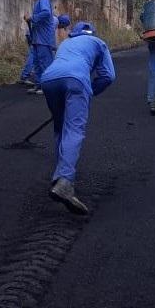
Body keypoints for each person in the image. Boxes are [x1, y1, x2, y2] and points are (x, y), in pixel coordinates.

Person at [41, 21, 116, 215]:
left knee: (60, 127)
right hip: (76, 81)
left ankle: (60, 177)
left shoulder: (66, 43)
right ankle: (65, 180)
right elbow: (108, 76)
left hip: (48, 79)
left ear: (74, 33)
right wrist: (90, 91)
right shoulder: (98, 43)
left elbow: (61, 67)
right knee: (74, 129)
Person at [19, 14, 71, 85]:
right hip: (37, 35)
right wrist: (53, 47)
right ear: (62, 23)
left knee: (35, 55)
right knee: (34, 54)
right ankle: (25, 76)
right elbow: (49, 35)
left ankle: (28, 76)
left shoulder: (53, 18)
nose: (61, 28)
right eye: (63, 27)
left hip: (33, 33)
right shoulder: (55, 21)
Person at [24, 0, 57, 95]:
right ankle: (38, 85)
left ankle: (47, 87)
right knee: (37, 63)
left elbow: (46, 13)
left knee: (45, 63)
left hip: (44, 39)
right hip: (38, 39)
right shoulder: (38, 2)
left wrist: (32, 18)